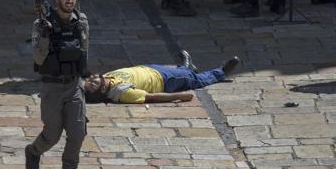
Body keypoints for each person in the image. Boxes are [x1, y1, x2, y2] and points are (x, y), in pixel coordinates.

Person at [24, 0, 89, 169]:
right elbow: (38, 59)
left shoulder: (81, 21)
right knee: (52, 134)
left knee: (78, 133)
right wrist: (45, 35)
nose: (69, 1)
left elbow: (84, 49)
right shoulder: (41, 24)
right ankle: (34, 151)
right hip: (52, 87)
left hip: (73, 85)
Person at [84, 51, 241, 104]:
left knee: (185, 73)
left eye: (89, 81)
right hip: (164, 80)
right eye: (93, 84)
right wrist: (180, 96)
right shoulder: (122, 92)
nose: (91, 80)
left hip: (150, 68)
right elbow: (151, 97)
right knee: (194, 80)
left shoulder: (105, 78)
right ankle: (220, 72)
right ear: (103, 88)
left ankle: (186, 67)